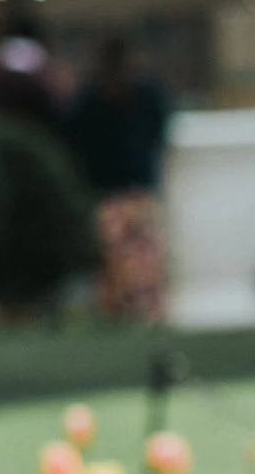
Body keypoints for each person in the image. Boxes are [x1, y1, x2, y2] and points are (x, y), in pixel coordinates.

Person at [65, 34, 174, 323]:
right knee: (113, 263)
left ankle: (148, 313)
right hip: (109, 193)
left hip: (135, 191)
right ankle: (117, 313)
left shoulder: (145, 94)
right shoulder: (89, 99)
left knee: (145, 261)